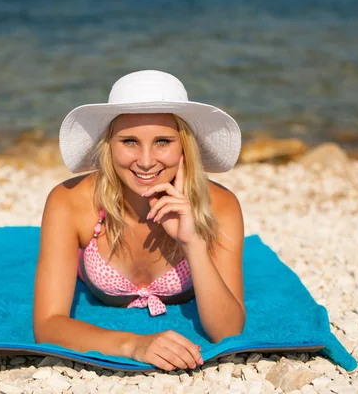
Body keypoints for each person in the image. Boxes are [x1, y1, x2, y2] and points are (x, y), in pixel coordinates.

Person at [33, 70, 245, 371]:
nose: (146, 161)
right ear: (108, 145)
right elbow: (48, 325)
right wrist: (135, 345)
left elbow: (228, 331)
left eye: (162, 141)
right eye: (129, 141)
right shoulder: (69, 202)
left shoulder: (221, 206)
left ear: (184, 145)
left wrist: (193, 244)